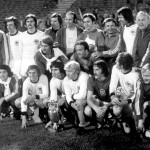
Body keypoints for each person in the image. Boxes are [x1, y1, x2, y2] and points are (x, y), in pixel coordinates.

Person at [109, 52, 143, 134]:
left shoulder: (136, 74)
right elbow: (112, 84)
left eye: (116, 61)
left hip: (133, 101)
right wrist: (113, 96)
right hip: (122, 97)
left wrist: (128, 101)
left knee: (134, 130)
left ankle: (129, 119)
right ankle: (120, 120)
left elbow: (137, 95)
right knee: (116, 111)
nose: (115, 63)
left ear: (122, 66)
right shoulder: (115, 68)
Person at [84, 60, 112, 127]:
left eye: (97, 70)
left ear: (104, 70)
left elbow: (116, 97)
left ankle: (110, 118)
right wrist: (96, 108)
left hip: (111, 103)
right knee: (87, 111)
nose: (94, 72)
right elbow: (88, 99)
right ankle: (100, 119)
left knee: (117, 110)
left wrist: (107, 106)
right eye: (94, 70)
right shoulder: (91, 79)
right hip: (100, 102)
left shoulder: (112, 78)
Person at [63, 61, 90, 127]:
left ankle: (82, 123)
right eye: (66, 71)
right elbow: (68, 95)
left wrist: (73, 95)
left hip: (88, 98)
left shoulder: (84, 76)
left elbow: (83, 95)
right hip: (76, 99)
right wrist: (72, 104)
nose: (67, 73)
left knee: (79, 103)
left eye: (69, 71)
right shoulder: (66, 79)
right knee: (64, 101)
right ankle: (72, 119)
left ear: (76, 71)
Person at [20, 14, 44, 80]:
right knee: (25, 84)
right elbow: (20, 51)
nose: (29, 23)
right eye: (27, 21)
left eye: (31, 21)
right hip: (25, 63)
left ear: (35, 22)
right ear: (25, 23)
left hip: (36, 62)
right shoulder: (22, 35)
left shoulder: (41, 34)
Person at [141, 63, 150, 138]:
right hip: (144, 104)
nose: (144, 78)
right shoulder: (141, 83)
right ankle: (143, 127)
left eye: (147, 76)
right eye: (143, 75)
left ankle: (147, 128)